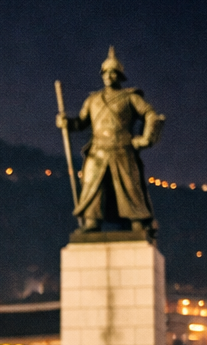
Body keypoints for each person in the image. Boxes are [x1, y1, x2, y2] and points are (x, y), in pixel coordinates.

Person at [56, 46, 165, 237]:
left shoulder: (130, 97)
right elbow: (81, 122)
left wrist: (146, 139)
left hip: (122, 149)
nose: (108, 75)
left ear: (119, 76)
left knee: (130, 187)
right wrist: (67, 123)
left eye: (112, 72)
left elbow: (151, 114)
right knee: (92, 185)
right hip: (97, 150)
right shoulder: (93, 99)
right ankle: (92, 221)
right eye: (105, 72)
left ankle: (137, 222)